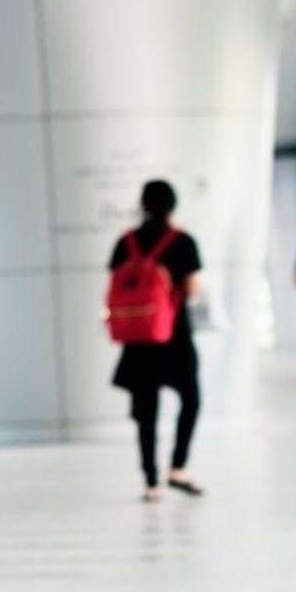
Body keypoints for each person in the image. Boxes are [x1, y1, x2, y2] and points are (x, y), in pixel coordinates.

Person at [109, 180, 205, 501]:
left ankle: (150, 483)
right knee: (190, 399)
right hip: (173, 334)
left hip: (137, 340)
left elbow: (118, 285)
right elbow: (192, 289)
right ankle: (177, 468)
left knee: (145, 411)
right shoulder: (182, 241)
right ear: (173, 205)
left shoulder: (126, 242)